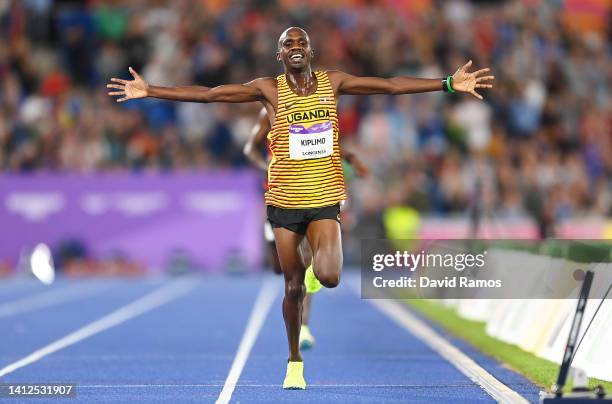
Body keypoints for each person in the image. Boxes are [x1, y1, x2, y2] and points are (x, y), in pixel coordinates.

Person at [107, 26, 494, 390]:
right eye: (288, 44)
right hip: (284, 202)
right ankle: (294, 361)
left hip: (325, 197)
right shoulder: (268, 91)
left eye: (301, 43)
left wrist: (446, 83)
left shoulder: (334, 82)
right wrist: (151, 91)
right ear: (280, 54)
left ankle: (314, 277)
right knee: (291, 286)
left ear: (311, 51)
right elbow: (210, 94)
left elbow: (390, 86)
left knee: (329, 277)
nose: (295, 48)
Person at [244, 107, 369, 350]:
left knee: (303, 264)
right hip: (277, 191)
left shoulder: (310, 107)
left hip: (307, 190)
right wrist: (266, 165)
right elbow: (249, 147)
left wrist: (350, 158)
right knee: (279, 268)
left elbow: (322, 144)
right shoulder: (268, 109)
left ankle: (303, 327)